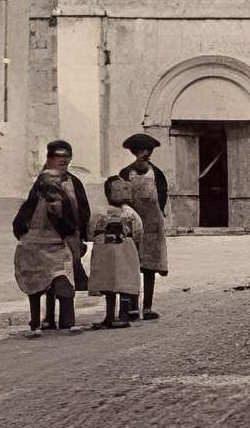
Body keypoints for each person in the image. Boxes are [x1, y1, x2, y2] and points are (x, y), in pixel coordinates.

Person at [13, 168, 80, 334]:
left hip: (51, 248)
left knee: (61, 284)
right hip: (35, 250)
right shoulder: (32, 204)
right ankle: (39, 322)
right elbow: (19, 225)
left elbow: (70, 226)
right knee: (37, 287)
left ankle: (62, 322)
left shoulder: (60, 203)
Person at [117, 133, 169, 320]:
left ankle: (147, 307)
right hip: (131, 225)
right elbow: (119, 198)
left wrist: (157, 217)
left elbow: (162, 197)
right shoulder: (125, 174)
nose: (144, 156)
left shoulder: (157, 174)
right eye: (140, 152)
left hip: (152, 224)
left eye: (147, 153)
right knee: (131, 264)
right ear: (135, 153)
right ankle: (131, 306)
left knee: (150, 267)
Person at [86, 176, 144, 330]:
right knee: (108, 284)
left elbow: (138, 231)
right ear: (108, 193)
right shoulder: (102, 212)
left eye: (122, 189)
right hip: (106, 255)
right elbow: (92, 230)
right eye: (116, 189)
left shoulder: (129, 214)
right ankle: (110, 316)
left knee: (124, 284)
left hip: (124, 254)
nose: (120, 193)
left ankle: (124, 314)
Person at [41, 139, 91, 297]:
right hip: (52, 235)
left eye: (66, 156)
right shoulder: (43, 181)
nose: (62, 160)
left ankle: (76, 286)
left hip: (73, 234)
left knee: (73, 263)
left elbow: (84, 208)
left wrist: (82, 233)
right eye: (58, 156)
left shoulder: (74, 182)